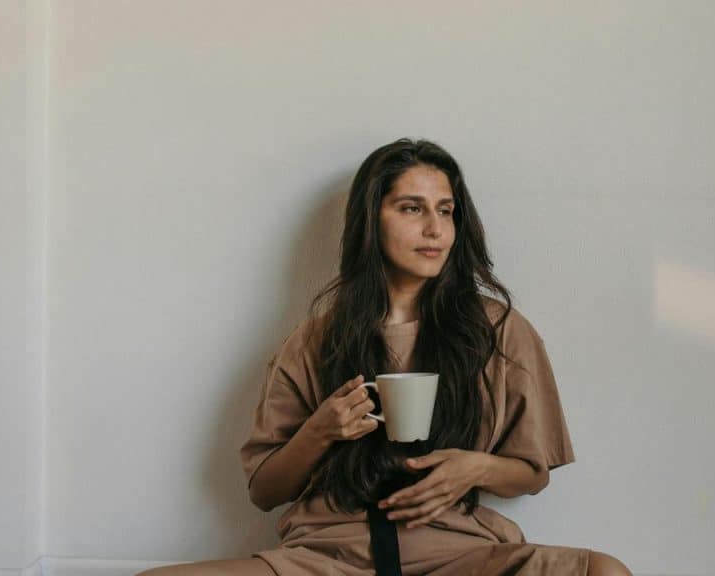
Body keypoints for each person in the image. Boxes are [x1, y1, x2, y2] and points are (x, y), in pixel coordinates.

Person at [139, 139, 632, 575]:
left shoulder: (500, 331)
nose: (435, 229)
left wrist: (475, 468)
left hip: (461, 556)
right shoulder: (316, 339)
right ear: (371, 221)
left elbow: (532, 472)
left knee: (605, 572)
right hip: (331, 557)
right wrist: (321, 430)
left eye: (446, 210)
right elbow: (265, 491)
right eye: (412, 209)